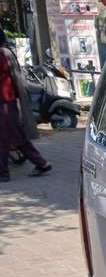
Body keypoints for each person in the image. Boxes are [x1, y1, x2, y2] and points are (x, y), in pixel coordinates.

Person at [0, 30, 50, 182]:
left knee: (6, 139)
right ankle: (41, 164)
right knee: (15, 137)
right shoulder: (6, 52)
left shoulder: (2, 54)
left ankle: (4, 173)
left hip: (5, 102)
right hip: (7, 102)